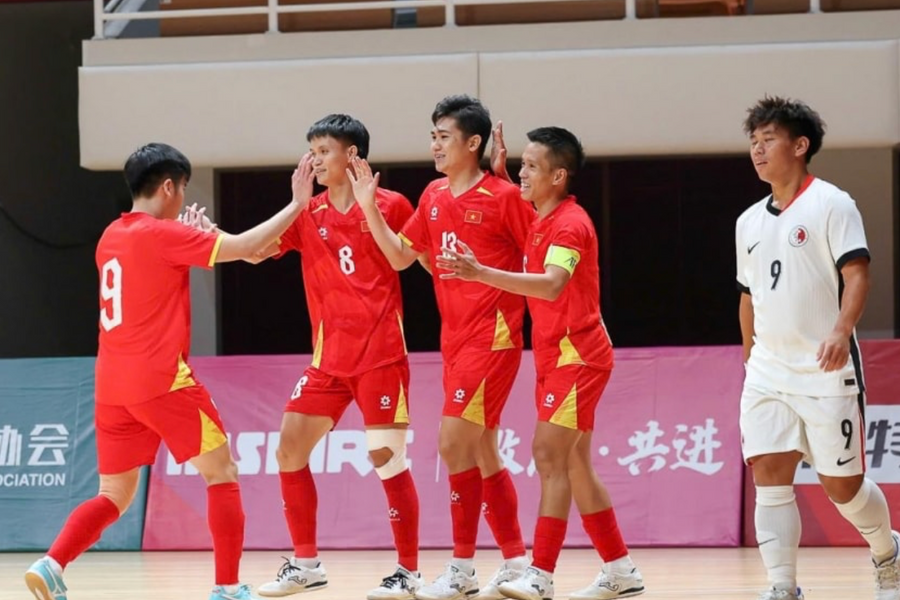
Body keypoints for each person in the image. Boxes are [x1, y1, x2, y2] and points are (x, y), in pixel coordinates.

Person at [24, 142, 305, 600]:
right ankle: (228, 588)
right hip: (161, 381)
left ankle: (52, 563)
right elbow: (247, 248)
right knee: (222, 473)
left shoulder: (111, 236)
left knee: (113, 494)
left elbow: (158, 277)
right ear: (170, 186)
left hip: (111, 386)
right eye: (184, 188)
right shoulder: (161, 236)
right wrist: (296, 203)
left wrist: (190, 239)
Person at [435, 126, 645, 600]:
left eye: (531, 167)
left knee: (548, 454)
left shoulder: (572, 224)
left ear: (560, 175)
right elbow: (525, 207)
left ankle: (541, 574)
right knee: (575, 466)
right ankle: (621, 570)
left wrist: (481, 272)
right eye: (520, 165)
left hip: (580, 355)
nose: (521, 174)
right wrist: (503, 173)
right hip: (554, 356)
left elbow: (551, 284)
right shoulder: (538, 218)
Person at [347, 95, 533, 600]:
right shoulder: (431, 196)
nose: (434, 144)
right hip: (454, 341)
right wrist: (368, 205)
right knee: (484, 452)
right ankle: (517, 560)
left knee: (453, 445)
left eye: (444, 136)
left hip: (493, 340)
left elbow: (541, 266)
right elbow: (402, 259)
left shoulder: (503, 197)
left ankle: (462, 570)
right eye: (432, 135)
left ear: (473, 143)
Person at [735, 96, 900, 600]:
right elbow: (749, 296)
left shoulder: (832, 202)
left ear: (800, 145)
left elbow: (857, 275)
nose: (758, 151)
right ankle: (783, 587)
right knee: (769, 473)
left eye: (769, 139)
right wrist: (750, 358)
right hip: (767, 371)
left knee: (841, 489)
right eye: (753, 142)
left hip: (825, 371)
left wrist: (840, 330)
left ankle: (888, 552)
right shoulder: (747, 222)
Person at [254, 114, 422, 600]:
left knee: (387, 459)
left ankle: (408, 573)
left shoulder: (391, 204)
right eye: (311, 150)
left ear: (352, 155)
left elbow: (402, 261)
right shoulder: (308, 213)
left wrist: (367, 208)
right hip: (328, 361)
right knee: (289, 449)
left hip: (381, 355)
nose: (313, 160)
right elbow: (257, 252)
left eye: (323, 150)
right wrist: (213, 237)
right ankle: (305, 565)